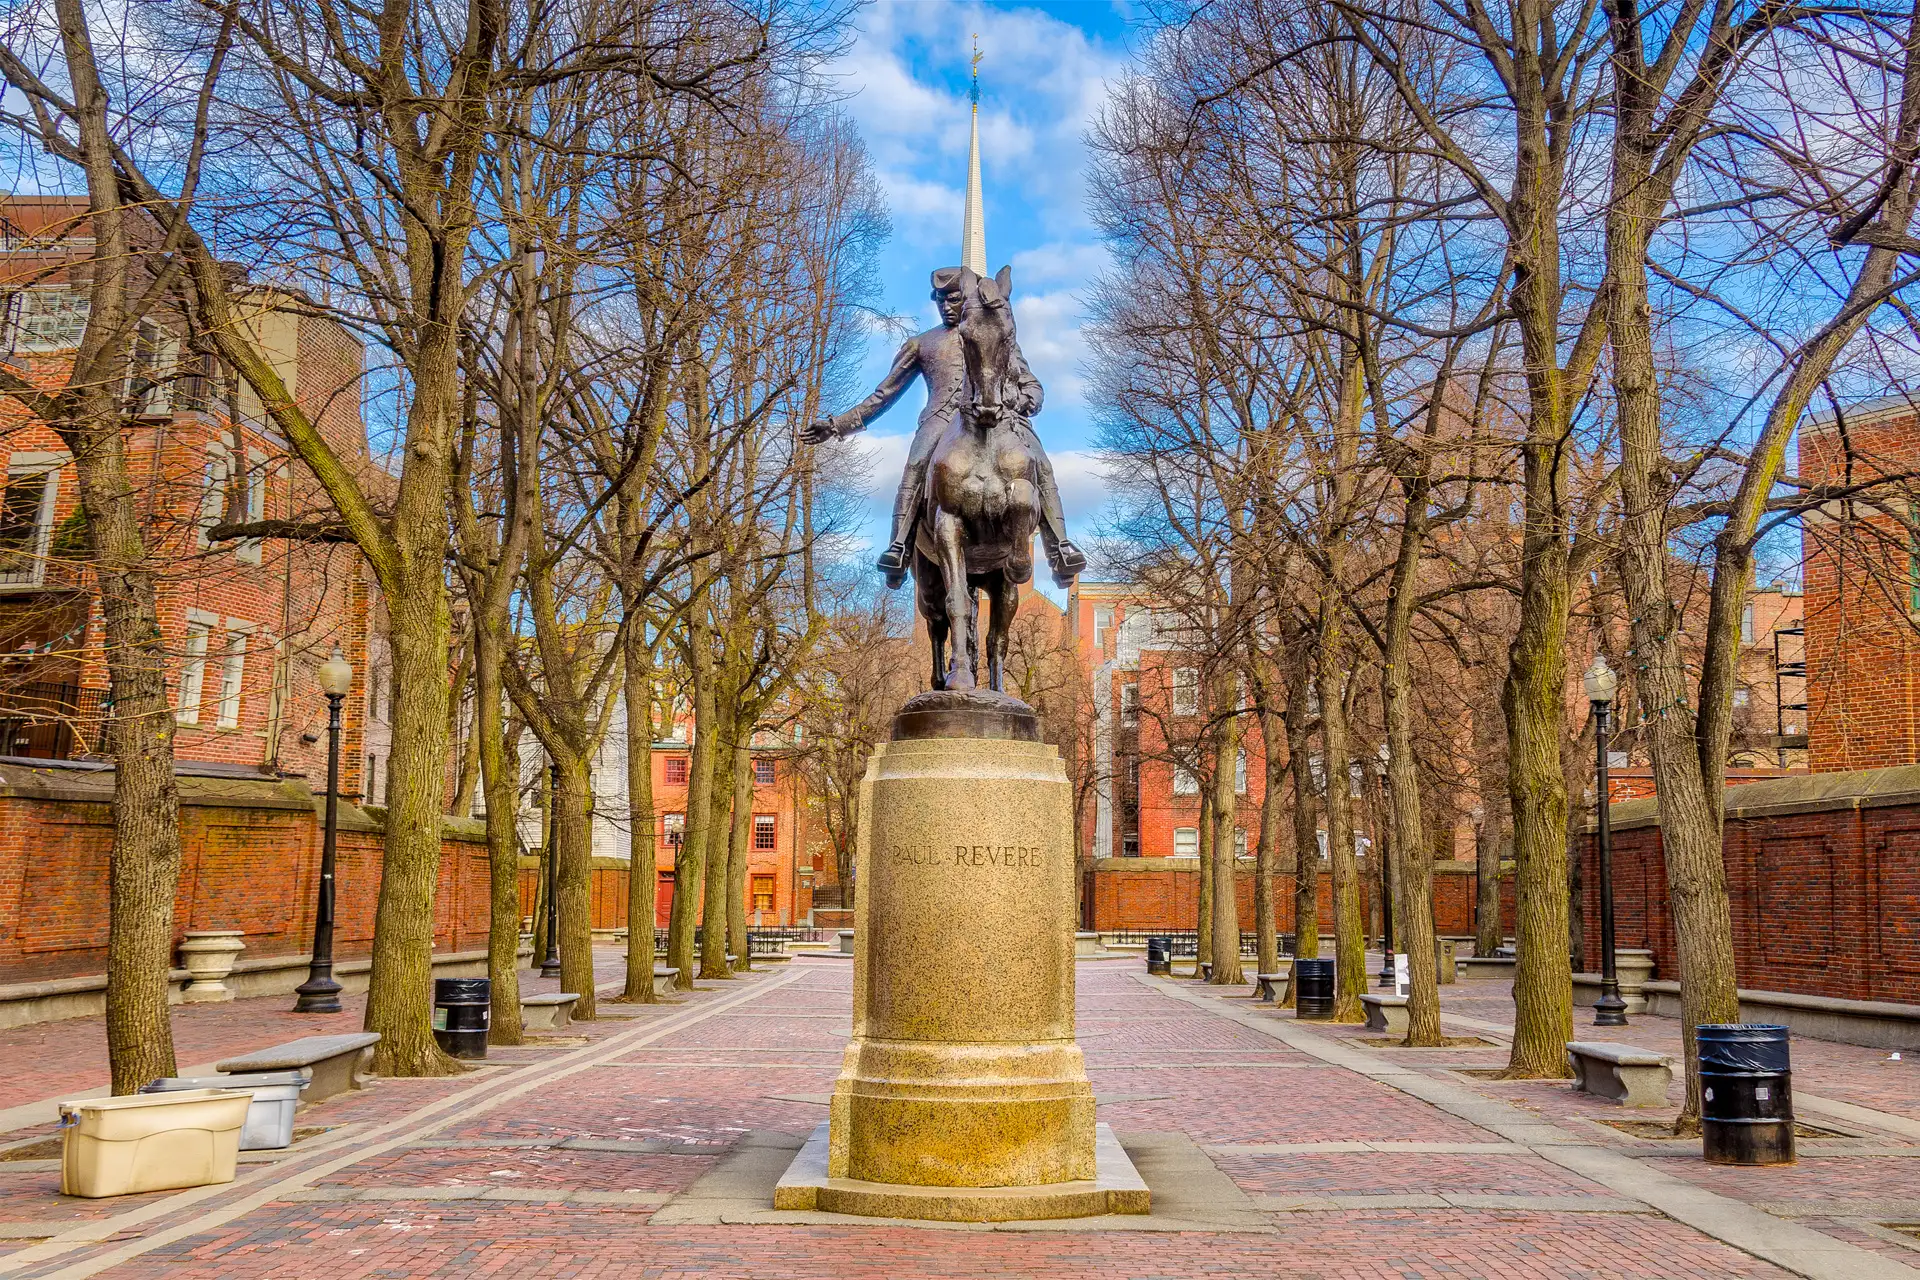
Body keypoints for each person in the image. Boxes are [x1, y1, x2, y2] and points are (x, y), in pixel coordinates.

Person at [802, 266, 1086, 589]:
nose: (947, 305)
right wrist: (838, 425)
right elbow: (884, 394)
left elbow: (1030, 382)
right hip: (940, 421)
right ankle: (899, 547)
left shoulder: (991, 329)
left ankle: (1059, 547)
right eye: (940, 299)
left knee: (1039, 461)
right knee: (916, 462)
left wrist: (1026, 400)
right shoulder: (921, 344)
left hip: (995, 417)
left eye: (954, 298)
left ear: (965, 297)